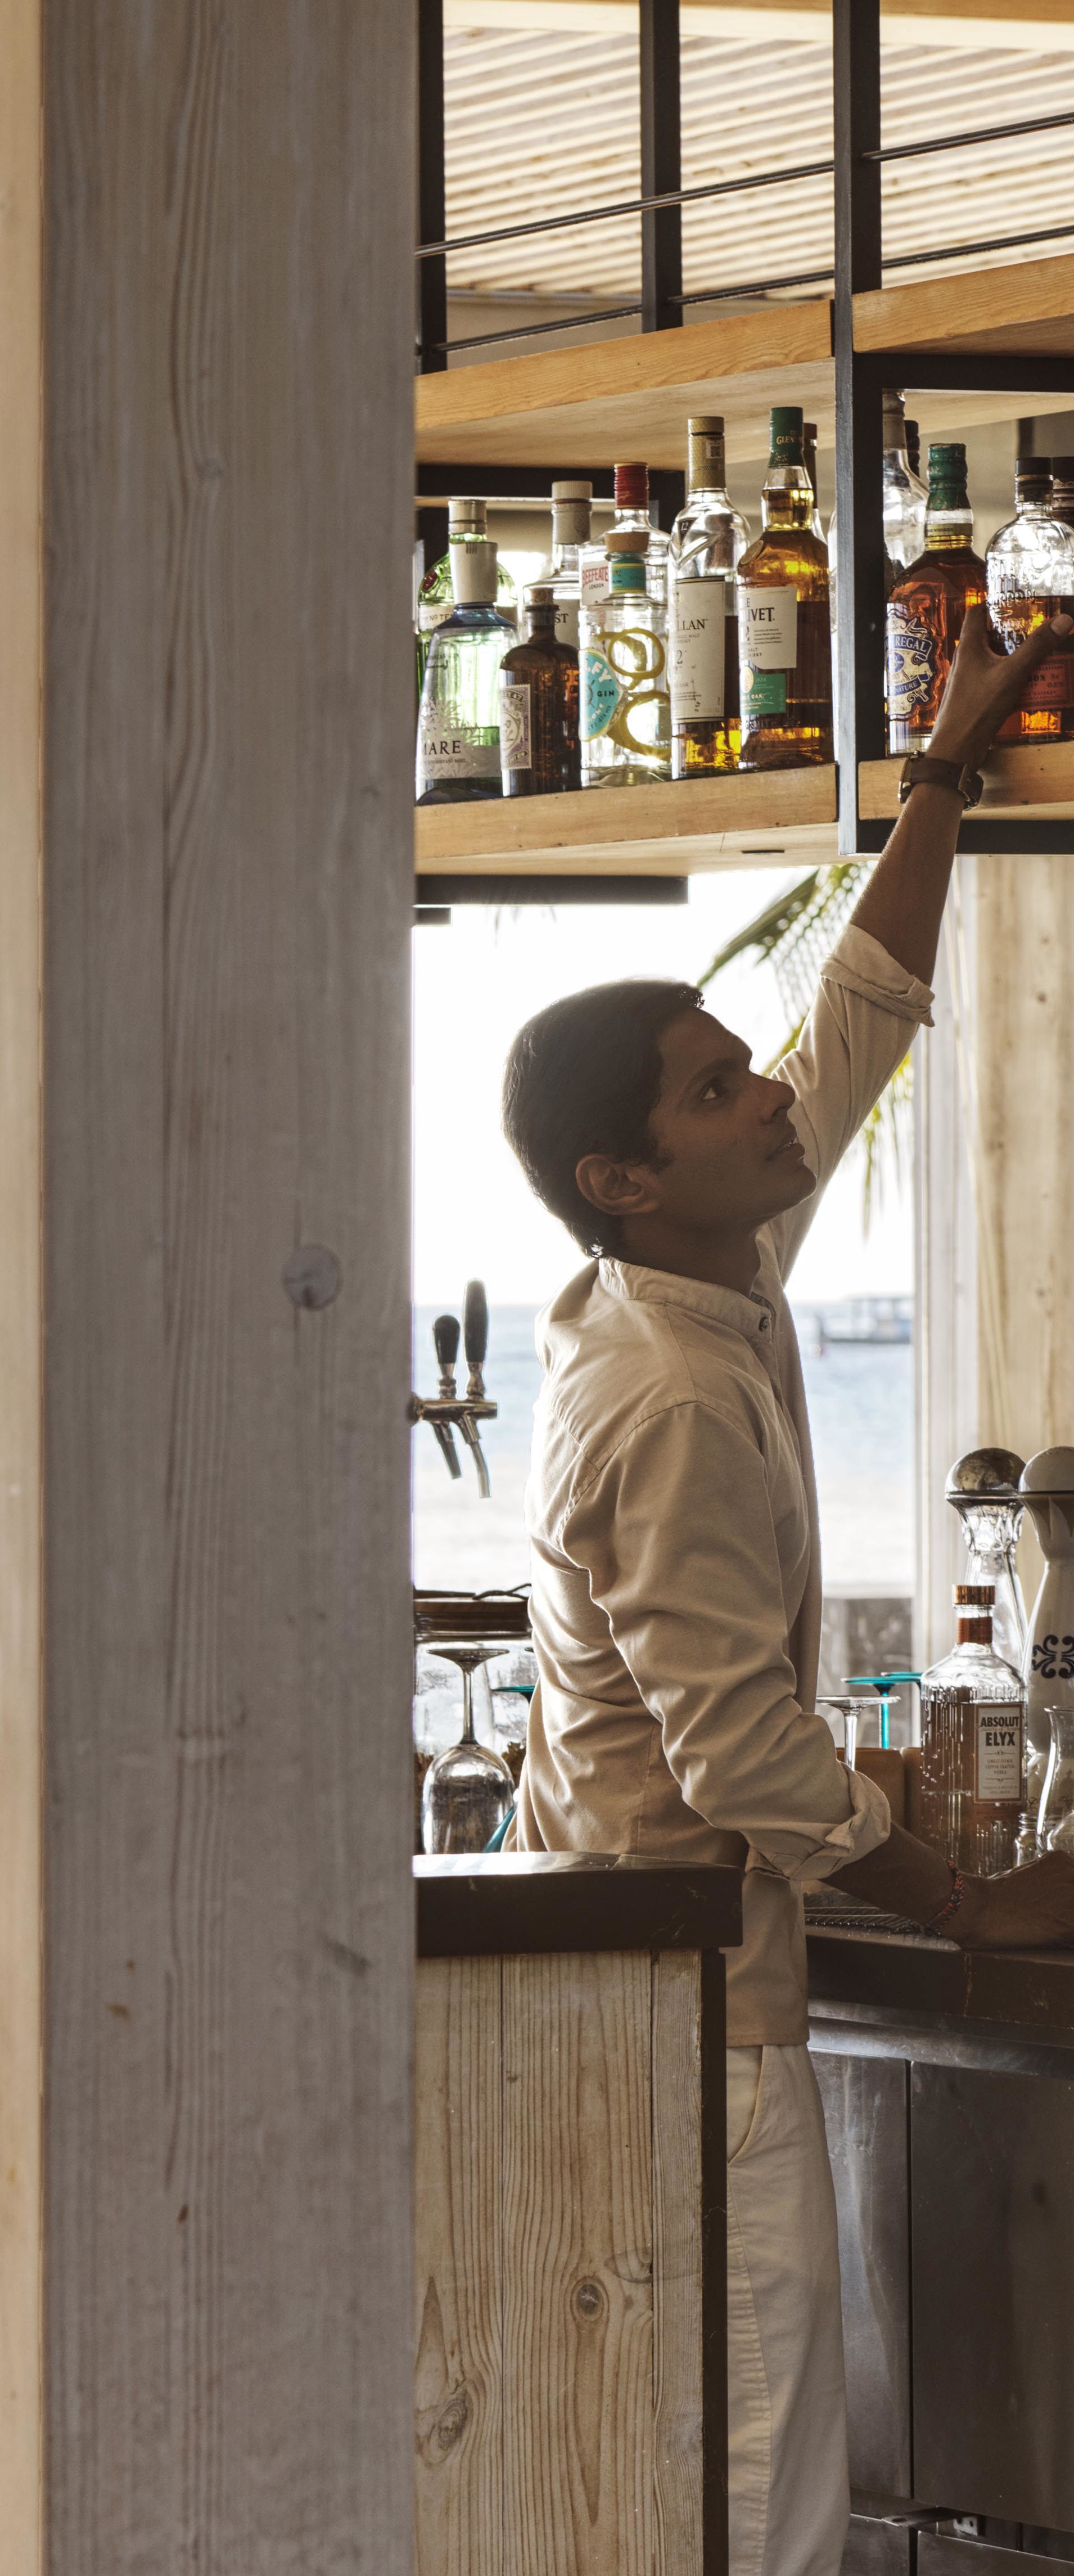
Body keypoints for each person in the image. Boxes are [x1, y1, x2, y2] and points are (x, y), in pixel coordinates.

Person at [505, 615, 1074, 2575]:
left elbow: (858, 1015)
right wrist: (978, 1899)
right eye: (715, 1088)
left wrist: (939, 771)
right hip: (691, 2004)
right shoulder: (664, 1388)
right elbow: (741, 1747)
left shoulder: (688, 1273)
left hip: (648, 1984)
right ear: (626, 1172)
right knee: (757, 2505)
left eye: (744, 1075)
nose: (771, 1103)